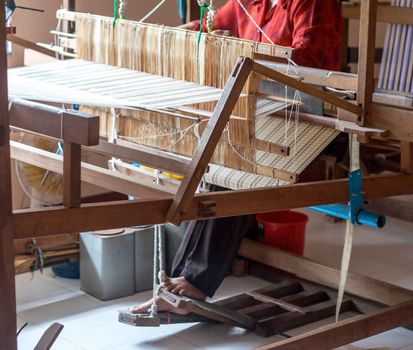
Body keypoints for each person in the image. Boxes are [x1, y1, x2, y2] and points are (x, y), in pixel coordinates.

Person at [130, 0, 343, 315]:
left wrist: (239, 52)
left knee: (236, 165)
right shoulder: (250, 2)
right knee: (219, 158)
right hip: (259, 115)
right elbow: (207, 25)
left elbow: (312, 61)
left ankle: (193, 282)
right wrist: (165, 36)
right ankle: (180, 281)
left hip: (307, 118)